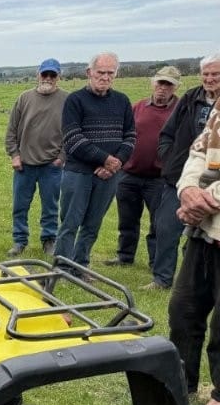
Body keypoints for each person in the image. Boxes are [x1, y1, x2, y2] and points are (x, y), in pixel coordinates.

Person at [55, 52, 135, 272]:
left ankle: (80, 266)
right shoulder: (75, 100)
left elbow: (130, 136)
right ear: (89, 73)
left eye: (110, 73)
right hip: (78, 173)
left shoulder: (122, 101)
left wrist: (117, 162)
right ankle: (61, 267)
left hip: (110, 175)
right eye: (101, 72)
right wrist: (105, 159)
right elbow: (73, 139)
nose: (105, 77)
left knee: (93, 224)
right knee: (70, 223)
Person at [105, 66, 181, 288]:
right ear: (152, 83)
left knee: (159, 224)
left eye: (168, 84)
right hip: (129, 174)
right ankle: (124, 255)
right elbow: (123, 133)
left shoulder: (180, 110)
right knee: (127, 219)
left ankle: (156, 263)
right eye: (160, 83)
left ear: (176, 87)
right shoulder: (138, 107)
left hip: (160, 178)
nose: (162, 88)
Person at [169, 106, 220, 405]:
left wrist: (204, 201)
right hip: (206, 232)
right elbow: (199, 149)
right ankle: (181, 382)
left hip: (209, 213)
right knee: (183, 307)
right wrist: (187, 190)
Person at [156, 54, 220, 296]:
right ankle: (162, 277)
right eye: (206, 74)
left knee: (199, 234)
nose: (210, 78)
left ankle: (195, 281)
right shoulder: (191, 98)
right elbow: (168, 132)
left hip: (212, 185)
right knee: (166, 227)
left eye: (216, 74)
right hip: (180, 178)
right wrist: (170, 158)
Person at [4, 58, 67, 257]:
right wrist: (14, 154)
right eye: (45, 74)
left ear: (58, 77)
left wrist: (62, 157)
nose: (48, 78)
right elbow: (11, 130)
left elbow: (72, 131)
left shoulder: (67, 99)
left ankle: (49, 240)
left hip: (52, 165)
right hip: (24, 164)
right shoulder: (24, 98)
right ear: (38, 75)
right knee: (20, 206)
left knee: (50, 206)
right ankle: (19, 240)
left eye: (52, 75)